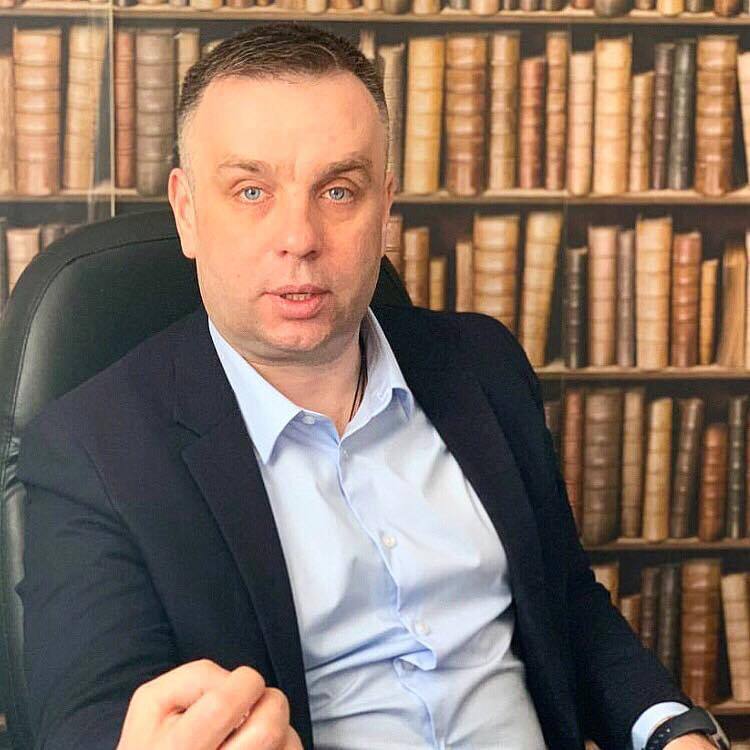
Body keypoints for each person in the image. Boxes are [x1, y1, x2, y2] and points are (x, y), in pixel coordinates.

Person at [15, 21, 725, 750]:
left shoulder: (483, 365)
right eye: (252, 190)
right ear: (188, 212)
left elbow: (568, 606)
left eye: (338, 190)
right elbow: (87, 718)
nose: (299, 237)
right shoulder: (91, 450)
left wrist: (673, 731)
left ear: (385, 208)